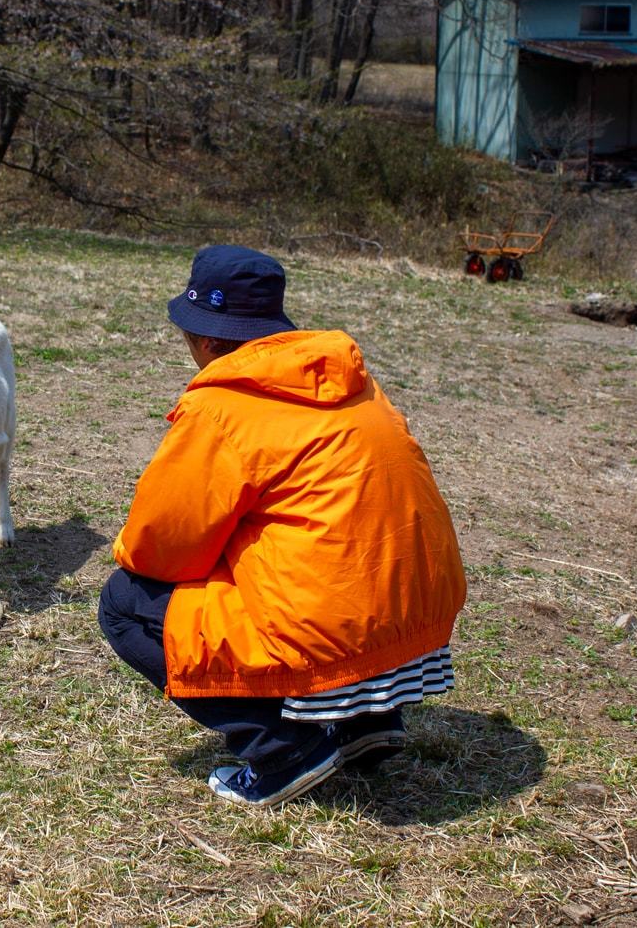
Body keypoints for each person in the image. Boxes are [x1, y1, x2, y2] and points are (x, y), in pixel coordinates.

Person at [98, 245, 467, 807]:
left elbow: (161, 547)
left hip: (335, 631)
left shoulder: (223, 407)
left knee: (125, 602)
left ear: (210, 341)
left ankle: (284, 749)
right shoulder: (354, 383)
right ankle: (365, 722)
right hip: (416, 619)